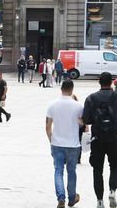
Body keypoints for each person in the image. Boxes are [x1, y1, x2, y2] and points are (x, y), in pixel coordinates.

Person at [82, 72, 117, 208]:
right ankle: (112, 191)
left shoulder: (91, 98)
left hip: (97, 139)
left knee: (97, 170)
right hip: (114, 138)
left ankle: (99, 201)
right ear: (111, 82)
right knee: (115, 166)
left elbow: (86, 119)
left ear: (99, 82)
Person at [46, 80, 83, 208]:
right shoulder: (78, 106)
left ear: (61, 89)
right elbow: (83, 123)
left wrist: (51, 140)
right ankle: (72, 198)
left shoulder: (52, 105)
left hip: (57, 144)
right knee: (71, 172)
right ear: (72, 89)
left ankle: (61, 198)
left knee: (58, 171)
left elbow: (48, 126)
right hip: (73, 145)